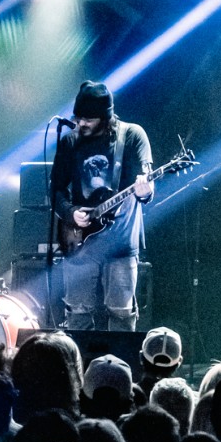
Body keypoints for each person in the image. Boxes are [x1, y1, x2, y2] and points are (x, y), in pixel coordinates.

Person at [50, 80, 154, 331]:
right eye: (78, 117)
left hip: (121, 243)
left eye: (88, 119)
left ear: (105, 118)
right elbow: (56, 189)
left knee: (121, 315)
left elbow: (147, 186)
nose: (80, 123)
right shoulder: (70, 142)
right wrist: (70, 212)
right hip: (78, 241)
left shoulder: (131, 136)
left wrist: (145, 190)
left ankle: (118, 368)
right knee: (77, 316)